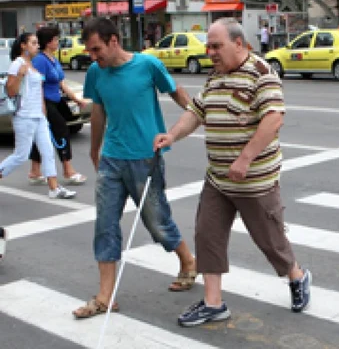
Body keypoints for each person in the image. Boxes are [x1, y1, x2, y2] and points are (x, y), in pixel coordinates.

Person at [153, 17, 311, 327]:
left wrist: (246, 158)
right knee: (207, 235)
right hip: (218, 178)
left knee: (270, 241)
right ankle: (214, 303)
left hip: (255, 181)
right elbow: (196, 112)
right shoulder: (215, 77)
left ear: (238, 43)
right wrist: (172, 135)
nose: (210, 52)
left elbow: (273, 120)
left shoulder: (262, 74)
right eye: (208, 46)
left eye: (217, 46)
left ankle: (297, 276)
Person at [71, 17, 196, 319]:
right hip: (112, 158)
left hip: (146, 158)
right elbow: (98, 110)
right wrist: (93, 148)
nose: (93, 56)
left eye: (96, 49)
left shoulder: (147, 65)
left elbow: (176, 92)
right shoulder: (95, 72)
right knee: (105, 225)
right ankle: (104, 296)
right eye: (89, 51)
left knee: (157, 222)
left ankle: (188, 261)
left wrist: (198, 113)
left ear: (114, 40)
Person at [0, 33, 77, 199]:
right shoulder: (17, 64)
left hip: (39, 116)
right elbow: (11, 91)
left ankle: (54, 188)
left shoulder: (32, 64)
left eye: (37, 43)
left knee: (48, 151)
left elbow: (39, 89)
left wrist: (43, 110)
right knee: (21, 154)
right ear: (23, 46)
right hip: (24, 115)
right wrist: (20, 74)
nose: (37, 46)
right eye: (33, 43)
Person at [27, 26, 89, 186]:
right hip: (45, 101)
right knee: (61, 131)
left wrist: (76, 100)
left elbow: (62, 83)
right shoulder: (40, 60)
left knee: (42, 135)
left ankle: (35, 171)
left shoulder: (53, 59)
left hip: (56, 100)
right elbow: (37, 85)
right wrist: (41, 106)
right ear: (48, 42)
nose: (58, 42)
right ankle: (68, 170)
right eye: (55, 39)